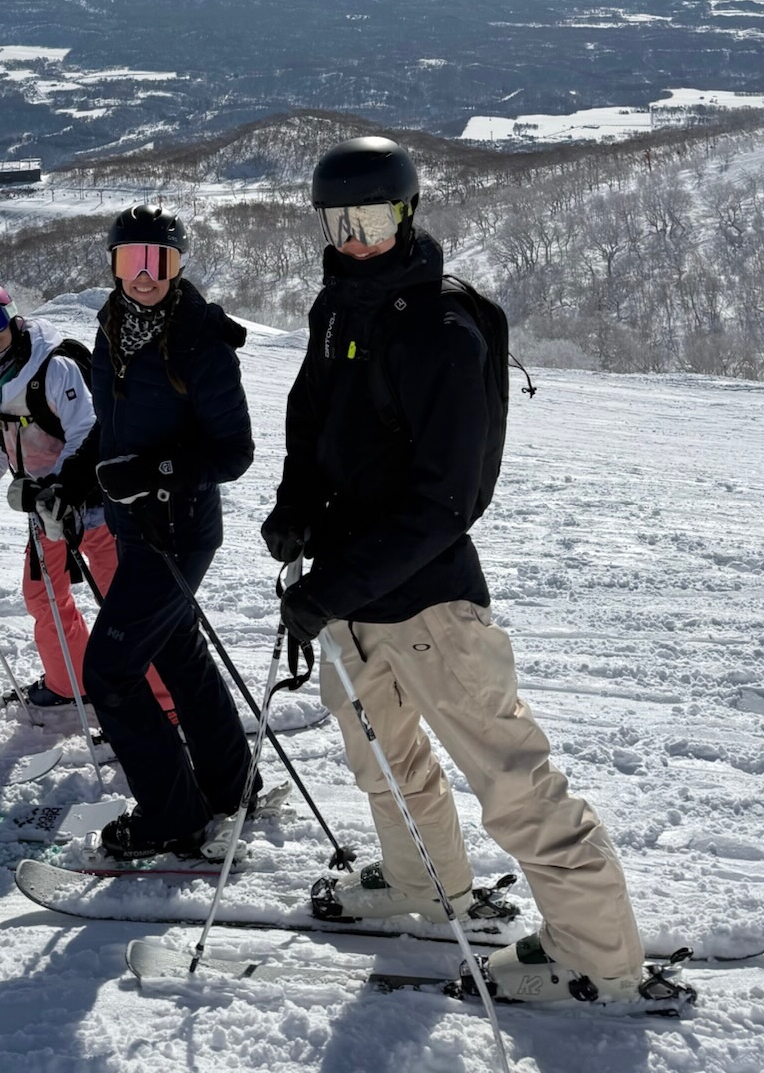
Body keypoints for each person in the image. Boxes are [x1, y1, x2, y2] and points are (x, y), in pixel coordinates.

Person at [262, 136, 648, 1005]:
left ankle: (600, 959)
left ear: (406, 213)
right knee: (383, 761)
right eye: (338, 220)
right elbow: (309, 421)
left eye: (371, 218)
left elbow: (446, 503)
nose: (355, 237)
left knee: (513, 782)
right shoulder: (335, 312)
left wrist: (331, 587)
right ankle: (421, 885)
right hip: (348, 597)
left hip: (429, 604)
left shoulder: (442, 331)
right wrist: (295, 513)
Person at [81, 206, 256, 859]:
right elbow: (113, 426)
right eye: (132, 260)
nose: (145, 275)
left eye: (160, 261)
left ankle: (175, 817)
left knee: (111, 670)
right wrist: (77, 478)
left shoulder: (201, 340)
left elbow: (233, 452)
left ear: (179, 266)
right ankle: (230, 785)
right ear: (115, 265)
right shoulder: (110, 327)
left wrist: (154, 473)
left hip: (180, 532)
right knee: (176, 651)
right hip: (134, 528)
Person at [0, 283, 173, 715]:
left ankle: (166, 704)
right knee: (43, 596)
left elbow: (88, 432)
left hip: (94, 503)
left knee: (123, 602)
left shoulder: (55, 366)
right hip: (44, 510)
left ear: (12, 316)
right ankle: (69, 682)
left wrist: (60, 488)